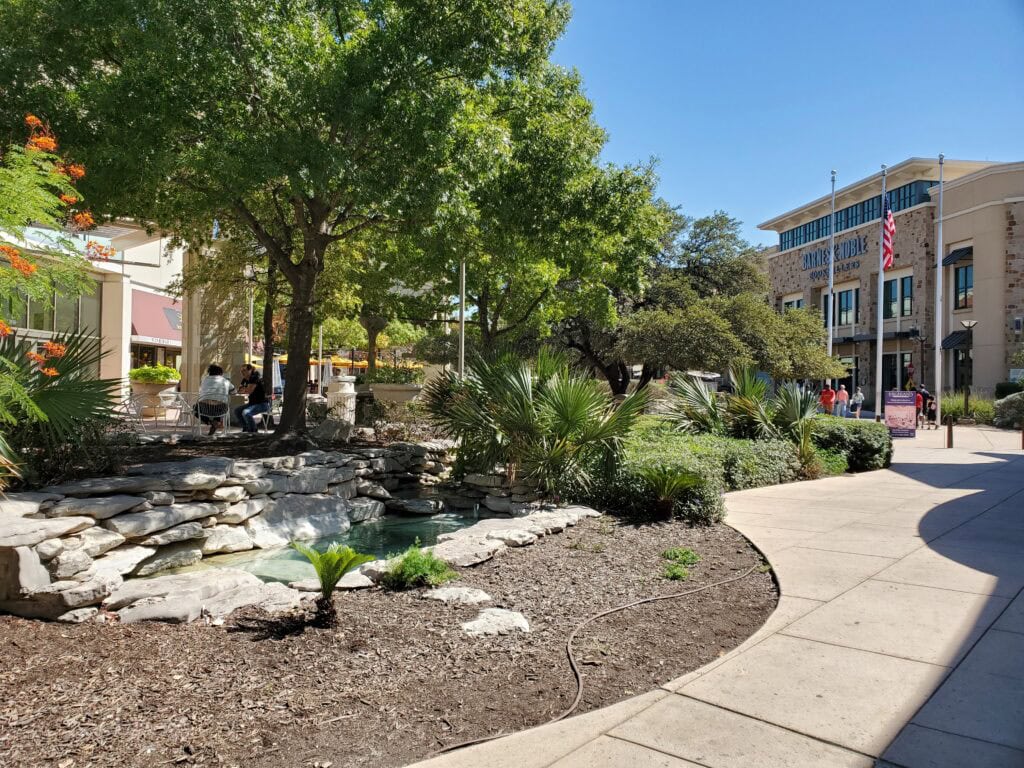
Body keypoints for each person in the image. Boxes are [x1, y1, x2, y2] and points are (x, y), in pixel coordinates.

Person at [195, 364, 235, 435]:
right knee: (222, 405)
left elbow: (201, 390)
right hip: (221, 408)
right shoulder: (225, 381)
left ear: (209, 372)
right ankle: (216, 422)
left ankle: (210, 422)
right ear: (221, 373)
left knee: (194, 409)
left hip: (204, 408)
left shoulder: (204, 380)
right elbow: (234, 391)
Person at [234, 363, 270, 433]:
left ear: (250, 370)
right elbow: (239, 390)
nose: (242, 372)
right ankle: (246, 428)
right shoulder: (245, 379)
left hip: (262, 404)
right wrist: (245, 389)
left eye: (244, 370)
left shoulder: (254, 377)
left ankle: (253, 430)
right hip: (252, 404)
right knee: (237, 411)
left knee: (246, 412)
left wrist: (245, 389)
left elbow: (249, 391)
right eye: (241, 371)